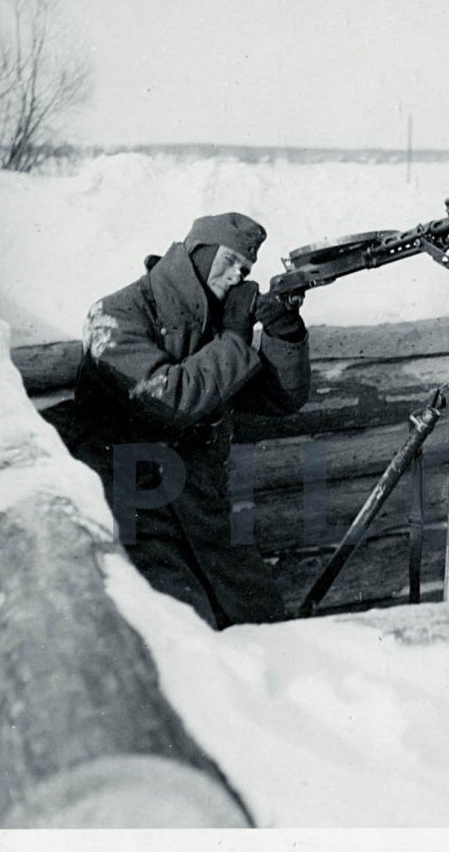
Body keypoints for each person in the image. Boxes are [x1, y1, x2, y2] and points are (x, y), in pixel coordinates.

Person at [69, 212, 311, 629]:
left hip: (201, 501)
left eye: (245, 270)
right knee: (181, 629)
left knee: (261, 618)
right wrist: (233, 338)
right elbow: (169, 400)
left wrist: (283, 333)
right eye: (229, 261)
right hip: (130, 505)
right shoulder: (115, 314)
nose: (236, 276)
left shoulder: (216, 320)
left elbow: (278, 399)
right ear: (198, 253)